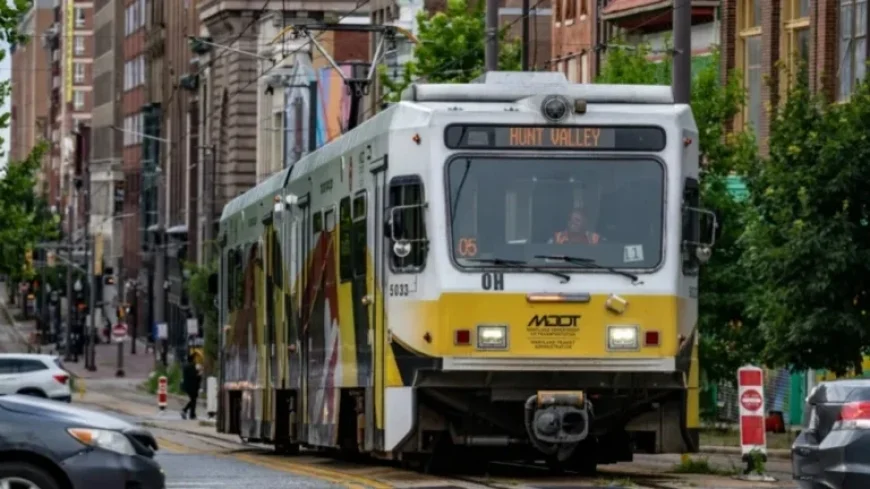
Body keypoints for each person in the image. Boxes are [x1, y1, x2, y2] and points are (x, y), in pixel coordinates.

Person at [181, 354, 202, 420]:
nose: (195, 361)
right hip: (192, 386)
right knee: (193, 400)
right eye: (194, 359)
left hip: (187, 386)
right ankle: (186, 411)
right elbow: (194, 376)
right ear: (192, 360)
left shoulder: (185, 366)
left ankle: (191, 414)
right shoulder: (192, 366)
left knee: (193, 400)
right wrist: (199, 374)